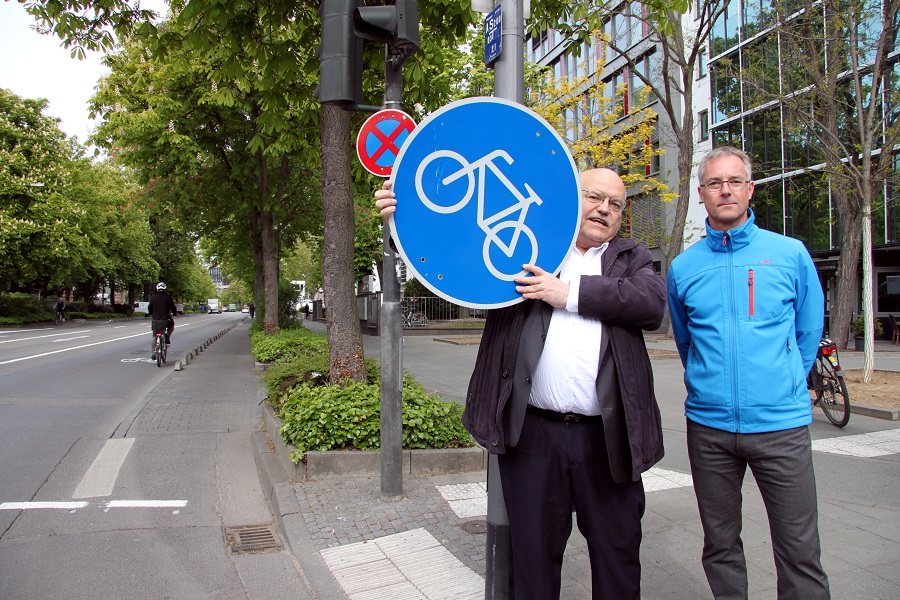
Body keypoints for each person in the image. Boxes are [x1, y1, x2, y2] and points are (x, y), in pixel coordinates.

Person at [376, 168, 666, 599]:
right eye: (594, 197)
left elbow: (651, 305)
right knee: (531, 563)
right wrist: (403, 218)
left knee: (618, 561)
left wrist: (565, 293)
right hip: (533, 437)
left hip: (608, 441)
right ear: (571, 196)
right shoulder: (528, 245)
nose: (604, 209)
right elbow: (453, 258)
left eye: (615, 204)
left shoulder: (632, 258)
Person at [666, 146, 830, 599]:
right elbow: (686, 341)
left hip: (781, 428)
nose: (725, 190)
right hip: (710, 429)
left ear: (750, 188)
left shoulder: (790, 254)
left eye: (734, 181)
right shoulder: (683, 268)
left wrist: (789, 381)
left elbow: (809, 328)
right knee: (720, 545)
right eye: (715, 183)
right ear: (701, 194)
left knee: (799, 549)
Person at [148, 282, 177, 358]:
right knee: (172, 325)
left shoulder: (153, 298)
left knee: (154, 335)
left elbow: (150, 307)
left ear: (157, 289)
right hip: (165, 319)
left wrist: (151, 313)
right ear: (165, 289)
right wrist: (174, 313)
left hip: (155, 320)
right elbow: (173, 307)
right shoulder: (168, 298)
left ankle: (153, 353)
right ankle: (167, 336)